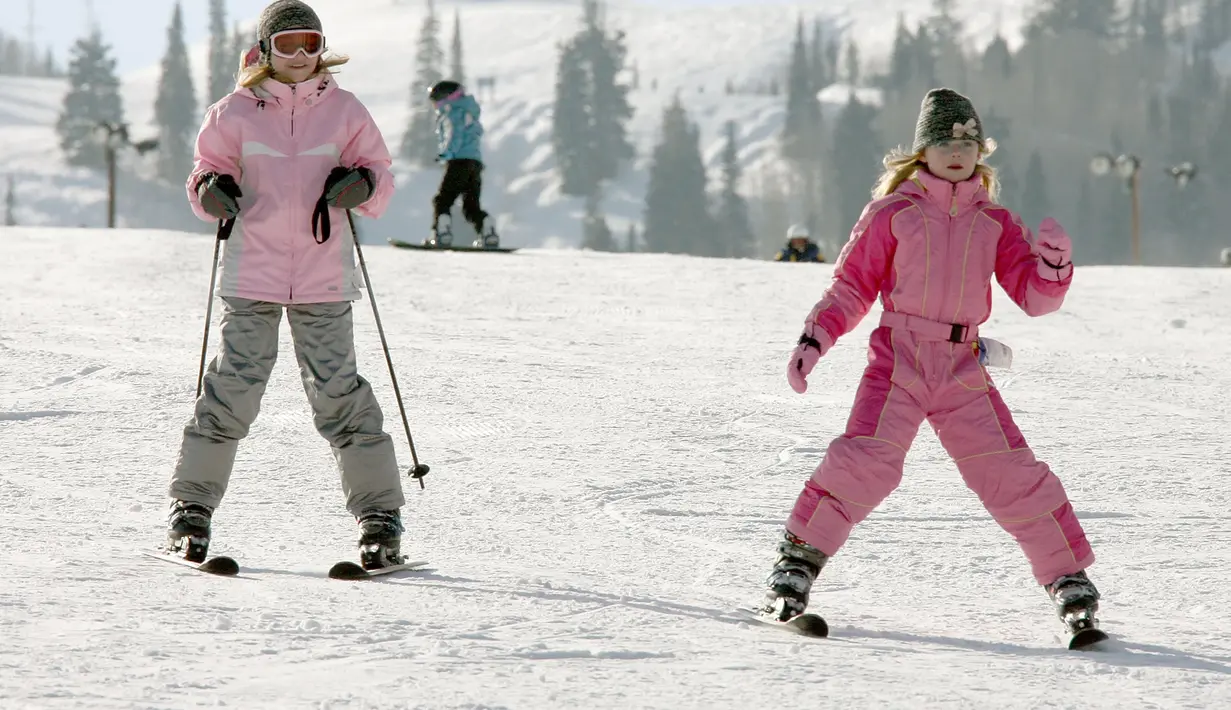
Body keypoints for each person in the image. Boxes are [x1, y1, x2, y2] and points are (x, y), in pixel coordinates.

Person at [761, 88, 1099, 632]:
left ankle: (1069, 579)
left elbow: (1036, 299)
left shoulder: (994, 221)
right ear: (923, 149)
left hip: (962, 363)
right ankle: (797, 564)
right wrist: (815, 339)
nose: (958, 149)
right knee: (866, 460)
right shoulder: (894, 213)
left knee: (1008, 471)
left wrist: (1054, 268)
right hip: (899, 360)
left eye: (969, 139)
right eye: (945, 139)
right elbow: (851, 285)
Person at [165, 0, 407, 570]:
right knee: (232, 390)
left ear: (322, 48)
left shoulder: (345, 110)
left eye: (310, 44)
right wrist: (208, 190)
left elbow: (381, 179)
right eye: (287, 44)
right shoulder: (234, 112)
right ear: (266, 50)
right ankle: (190, 511)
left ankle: (380, 517)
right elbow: (205, 170)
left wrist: (363, 184)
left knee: (339, 394)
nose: (300, 56)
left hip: (324, 278)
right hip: (253, 272)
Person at [427, 79, 499, 249]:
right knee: (471, 206)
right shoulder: (468, 112)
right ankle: (487, 232)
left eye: (435, 101)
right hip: (474, 163)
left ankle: (441, 233)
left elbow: (454, 135)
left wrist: (446, 153)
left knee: (442, 200)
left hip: (458, 162)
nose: (435, 106)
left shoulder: (452, 112)